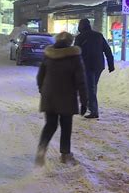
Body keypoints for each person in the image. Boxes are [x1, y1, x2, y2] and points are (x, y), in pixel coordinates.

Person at [35, 32, 88, 166]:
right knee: (66, 126)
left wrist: (43, 90)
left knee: (50, 124)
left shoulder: (48, 55)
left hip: (49, 96)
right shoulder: (74, 56)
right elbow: (81, 81)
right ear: (70, 42)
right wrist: (84, 101)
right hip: (67, 96)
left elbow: (40, 76)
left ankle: (42, 148)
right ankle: (65, 155)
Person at [74, 18, 115, 119]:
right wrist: (111, 64)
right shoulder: (98, 35)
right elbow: (107, 50)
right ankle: (91, 106)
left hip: (87, 65)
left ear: (81, 26)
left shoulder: (80, 37)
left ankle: (94, 110)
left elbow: (75, 53)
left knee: (90, 87)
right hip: (98, 65)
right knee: (92, 85)